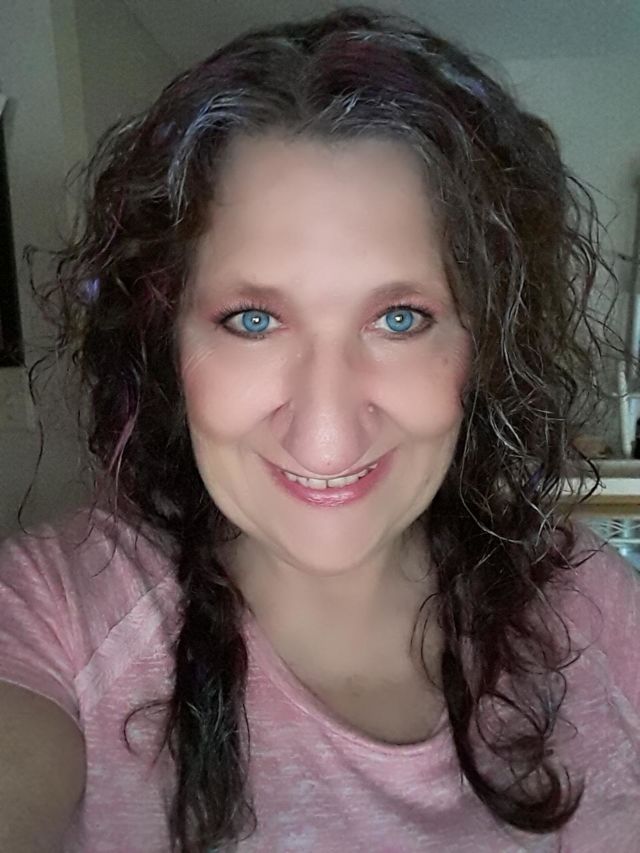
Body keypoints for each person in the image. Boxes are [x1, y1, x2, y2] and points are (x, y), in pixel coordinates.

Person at [0, 5, 638, 852]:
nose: (328, 435)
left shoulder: (583, 597)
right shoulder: (55, 618)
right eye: (253, 320)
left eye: (401, 319)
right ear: (167, 341)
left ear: (480, 344)